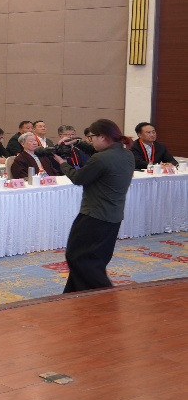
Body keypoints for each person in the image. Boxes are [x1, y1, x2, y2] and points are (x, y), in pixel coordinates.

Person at [50, 119, 136, 292]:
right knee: (95, 258)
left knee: (78, 257)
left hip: (94, 215)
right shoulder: (126, 154)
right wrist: (77, 143)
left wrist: (62, 163)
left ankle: (106, 294)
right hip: (113, 216)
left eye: (92, 137)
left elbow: (78, 178)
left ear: (102, 136)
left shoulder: (101, 158)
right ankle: (76, 295)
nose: (91, 141)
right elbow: (98, 153)